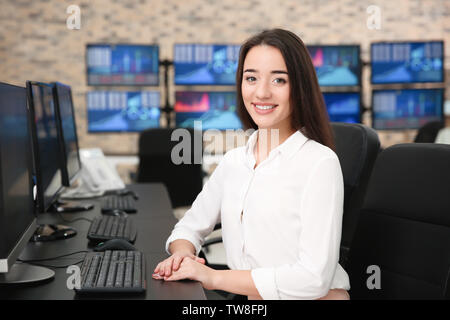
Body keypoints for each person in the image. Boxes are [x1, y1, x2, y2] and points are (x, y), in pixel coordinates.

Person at [152, 28, 350, 300]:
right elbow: (189, 227)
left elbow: (313, 279)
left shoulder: (320, 163)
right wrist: (182, 255)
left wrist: (213, 277)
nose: (262, 92)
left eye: (279, 80)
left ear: (300, 87)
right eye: (251, 78)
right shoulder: (235, 161)